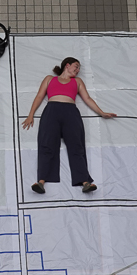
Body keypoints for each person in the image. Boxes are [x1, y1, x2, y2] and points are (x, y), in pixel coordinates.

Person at [21, 57, 116, 194]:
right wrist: (31, 115)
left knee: (77, 145)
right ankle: (41, 181)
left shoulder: (77, 82)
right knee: (46, 144)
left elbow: (87, 98)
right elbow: (39, 96)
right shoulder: (49, 79)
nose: (77, 70)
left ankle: (85, 182)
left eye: (79, 68)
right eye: (76, 66)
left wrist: (101, 113)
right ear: (67, 65)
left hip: (71, 113)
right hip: (51, 112)